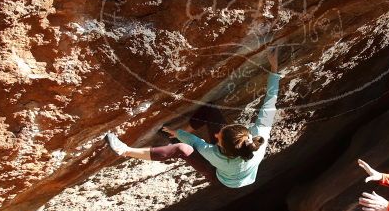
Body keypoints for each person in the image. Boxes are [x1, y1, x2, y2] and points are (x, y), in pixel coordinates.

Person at [105, 48, 281, 188]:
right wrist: (274, 69)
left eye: (218, 139)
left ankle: (126, 151)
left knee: (182, 148)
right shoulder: (259, 138)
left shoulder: (214, 156)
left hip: (220, 177)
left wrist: (178, 133)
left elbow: (194, 143)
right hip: (240, 168)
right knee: (211, 111)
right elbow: (269, 104)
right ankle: (173, 136)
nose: (217, 136)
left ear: (222, 148)